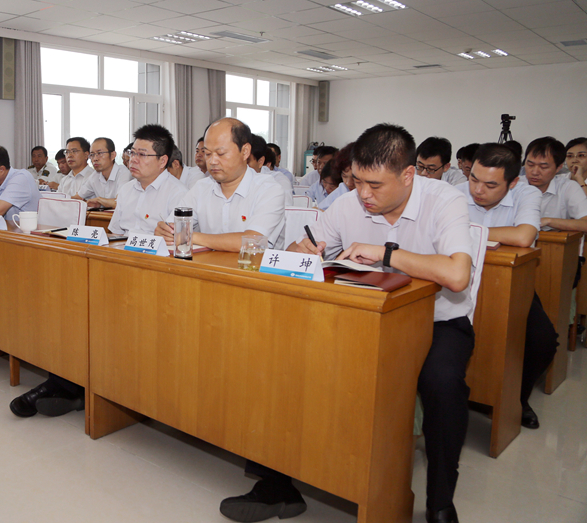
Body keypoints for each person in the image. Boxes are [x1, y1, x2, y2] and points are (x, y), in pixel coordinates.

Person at [220, 124, 473, 523]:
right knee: (281, 357)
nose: (364, 194)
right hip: (358, 315)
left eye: (375, 185)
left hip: (438, 321)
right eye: (357, 181)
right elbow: (296, 252)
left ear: (408, 175)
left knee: (442, 383)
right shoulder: (349, 202)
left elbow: (457, 275)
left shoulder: (446, 200)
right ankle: (276, 484)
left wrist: (386, 254)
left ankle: (440, 501)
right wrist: (301, 249)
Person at [459, 143, 557, 429]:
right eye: (474, 179)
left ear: (512, 182)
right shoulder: (455, 192)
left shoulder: (527, 193)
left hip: (511, 284)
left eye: (491, 185)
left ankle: (518, 399)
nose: (478, 190)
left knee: (543, 341)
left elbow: (524, 236)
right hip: (459, 282)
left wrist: (467, 232)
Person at [155, 118, 285, 251]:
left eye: (221, 153)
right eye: (207, 154)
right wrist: (164, 231)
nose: (212, 161)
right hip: (209, 263)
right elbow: (173, 228)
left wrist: (190, 236)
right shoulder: (201, 188)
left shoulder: (269, 190)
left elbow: (252, 242)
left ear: (245, 151)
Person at [108, 125, 187, 235]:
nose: (133, 159)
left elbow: (174, 237)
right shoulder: (126, 189)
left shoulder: (179, 194)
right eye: (132, 153)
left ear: (162, 161)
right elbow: (116, 233)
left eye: (142, 154)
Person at [521, 136, 587, 233]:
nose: (534, 172)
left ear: (558, 168)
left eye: (543, 167)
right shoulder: (513, 185)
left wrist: (549, 221)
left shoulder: (568, 187)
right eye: (530, 165)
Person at [73, 137, 131, 209]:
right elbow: (78, 197)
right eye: (92, 155)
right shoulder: (95, 176)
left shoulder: (124, 173)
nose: (95, 159)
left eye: (99, 153)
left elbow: (121, 203)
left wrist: (99, 200)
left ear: (112, 155)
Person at [247, 134, 293, 209]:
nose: (241, 166)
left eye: (247, 161)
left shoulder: (278, 181)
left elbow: (286, 211)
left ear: (260, 161)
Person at [318, 143, 355, 211]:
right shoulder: (343, 188)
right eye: (344, 176)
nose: (348, 183)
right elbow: (320, 209)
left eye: (354, 178)